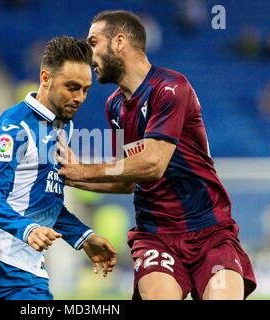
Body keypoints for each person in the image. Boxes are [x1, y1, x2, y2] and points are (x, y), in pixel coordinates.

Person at [57, 10, 257, 300]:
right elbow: (127, 179)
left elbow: (153, 163)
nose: (89, 55)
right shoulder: (114, 106)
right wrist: (67, 177)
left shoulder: (170, 87)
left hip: (211, 233)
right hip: (155, 237)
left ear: (119, 42)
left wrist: (82, 171)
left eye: (93, 42)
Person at [0, 36, 117, 300]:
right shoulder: (14, 125)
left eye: (85, 90)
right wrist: (28, 229)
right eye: (72, 87)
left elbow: (47, 204)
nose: (79, 98)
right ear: (45, 78)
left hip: (29, 272)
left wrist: (84, 236)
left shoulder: (64, 129)